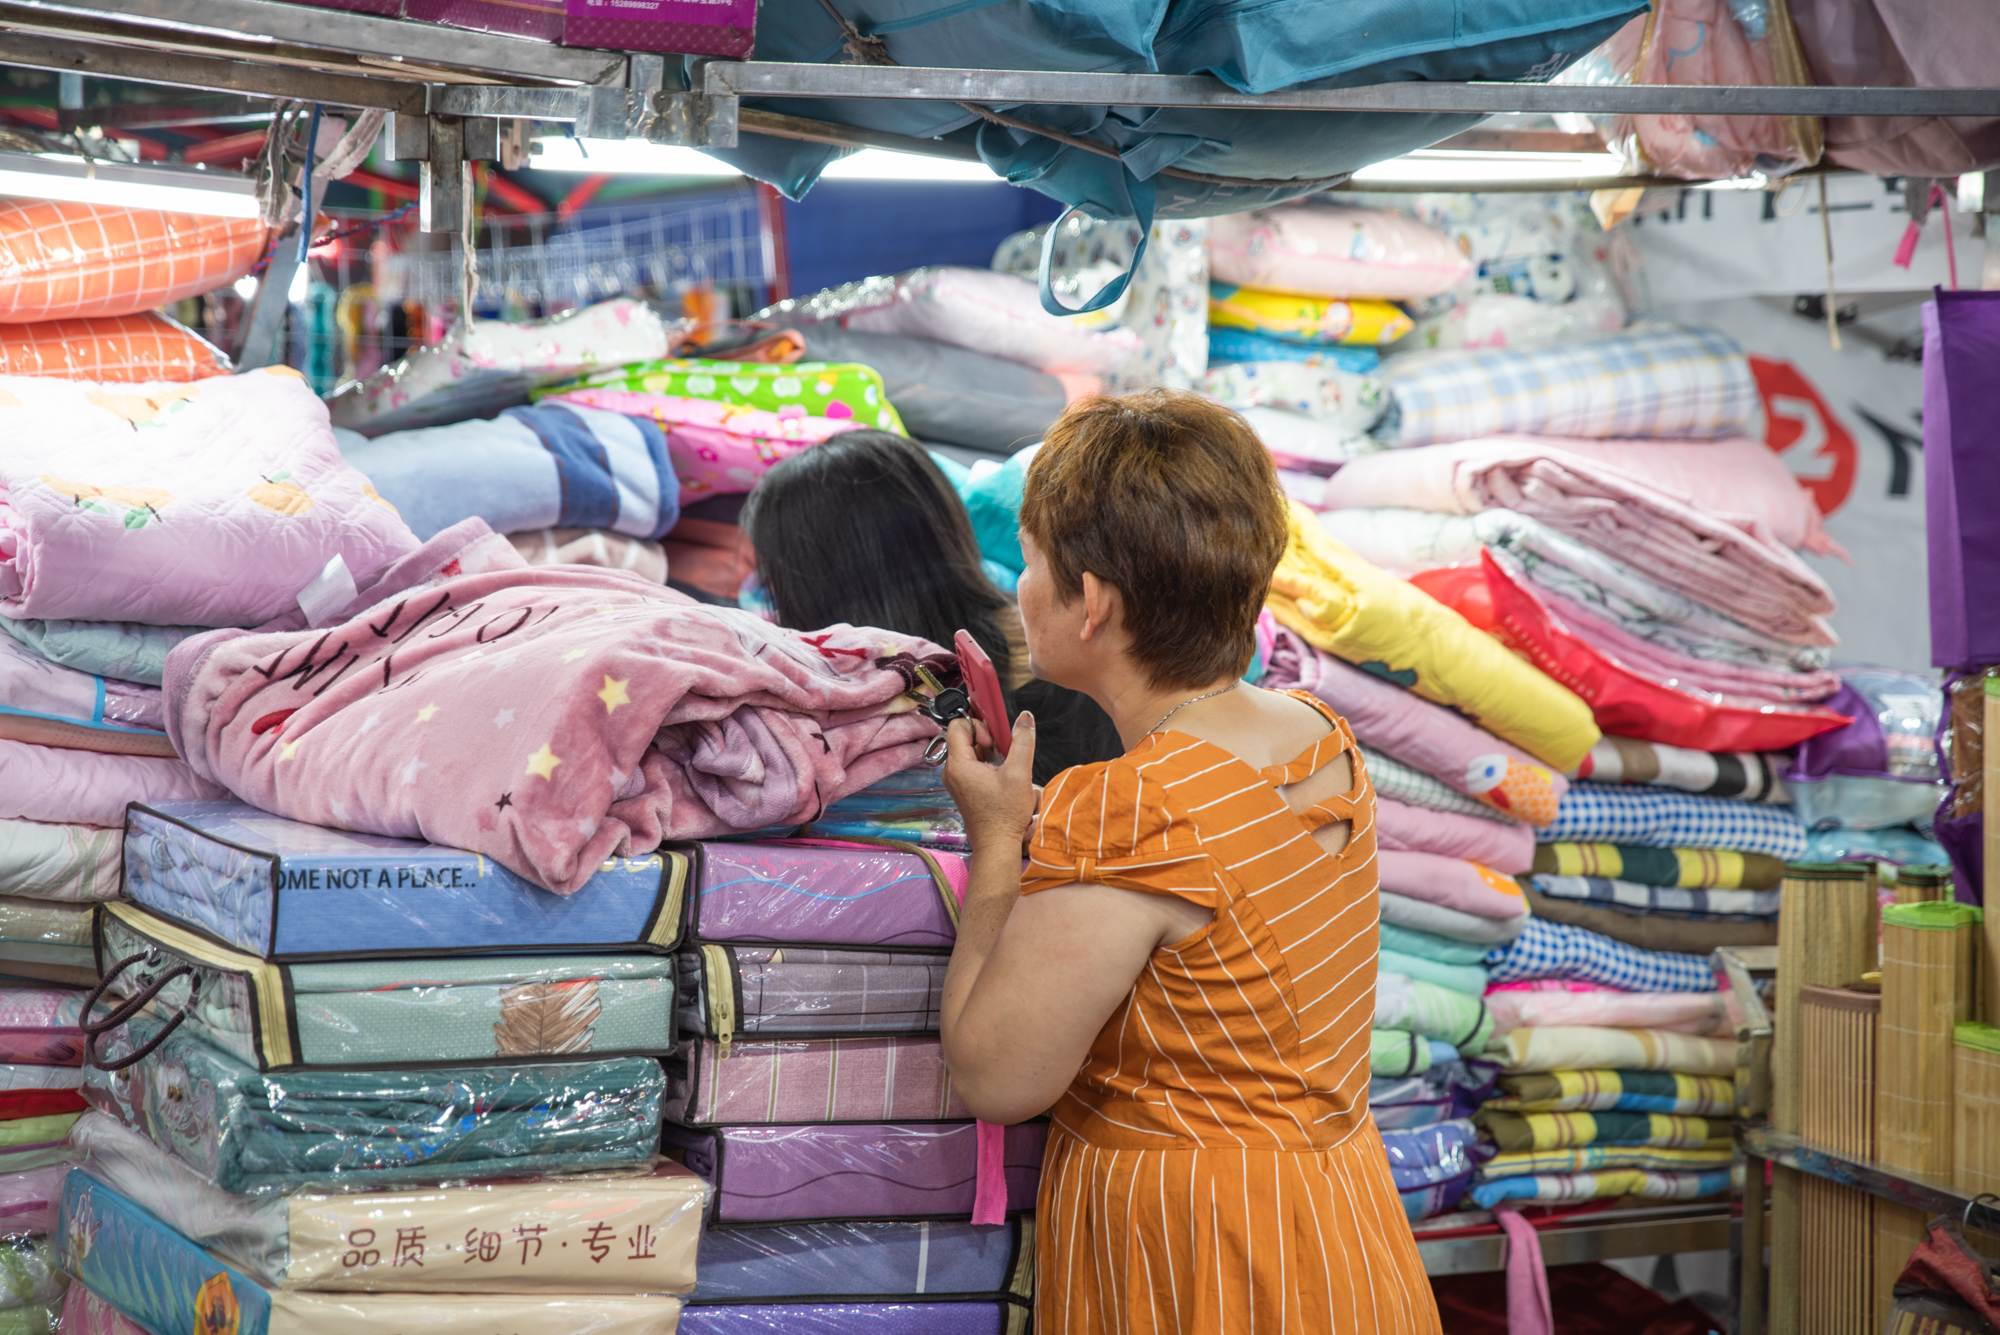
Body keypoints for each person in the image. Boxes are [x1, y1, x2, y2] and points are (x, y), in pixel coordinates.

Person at [939, 390, 1441, 1333]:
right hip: (1337, 1234)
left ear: (1092, 603)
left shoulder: (1135, 804)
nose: (1020, 585)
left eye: (1034, 562)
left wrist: (1000, 839)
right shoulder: (1320, 738)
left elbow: (997, 1076)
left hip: (1199, 1260)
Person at [741, 428, 1122, 784]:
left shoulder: (855, 746)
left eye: (773, 575)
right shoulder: (1075, 647)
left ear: (810, 585)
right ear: (946, 521)